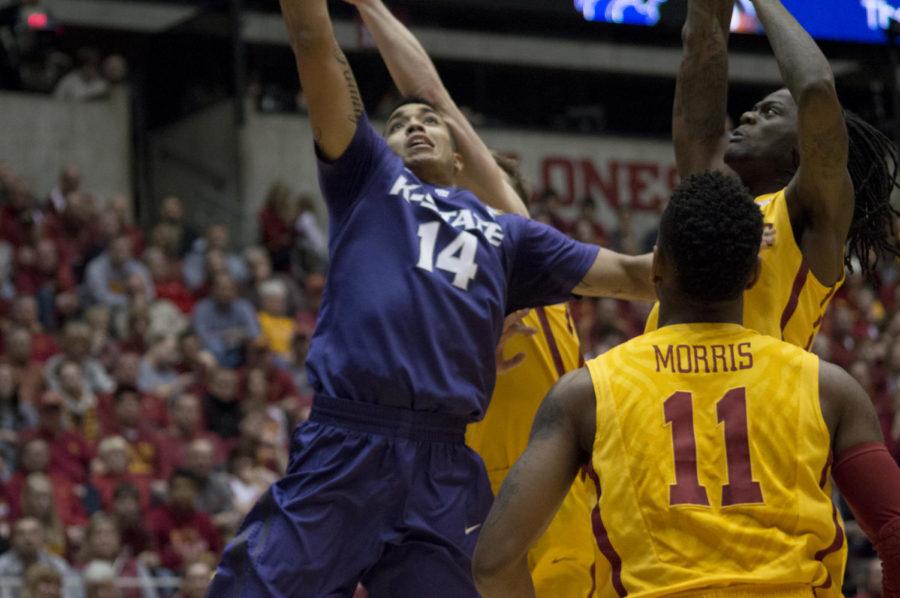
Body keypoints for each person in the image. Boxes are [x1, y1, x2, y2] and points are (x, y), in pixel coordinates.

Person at [209, 0, 655, 595]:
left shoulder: (511, 235)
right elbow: (314, 42)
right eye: (398, 123)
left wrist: (723, 236)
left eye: (430, 121)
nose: (415, 124)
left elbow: (631, 274)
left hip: (456, 470)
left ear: (460, 153)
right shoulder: (369, 181)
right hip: (351, 437)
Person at [472, 171, 900, 597]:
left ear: (655, 268)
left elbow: (494, 563)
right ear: (752, 274)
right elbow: (894, 529)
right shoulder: (828, 387)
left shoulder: (586, 393)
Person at [347, 1, 598, 593]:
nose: (417, 127)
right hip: (461, 496)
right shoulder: (392, 264)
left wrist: (368, 7)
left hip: (559, 482)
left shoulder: (519, 245)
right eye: (400, 126)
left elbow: (434, 95)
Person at [644, 0, 900, 349]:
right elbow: (700, 42)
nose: (748, 116)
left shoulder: (811, 213)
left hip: (762, 399)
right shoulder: (711, 201)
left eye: (770, 112)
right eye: (754, 109)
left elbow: (815, 88)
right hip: (666, 396)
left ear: (801, 148)